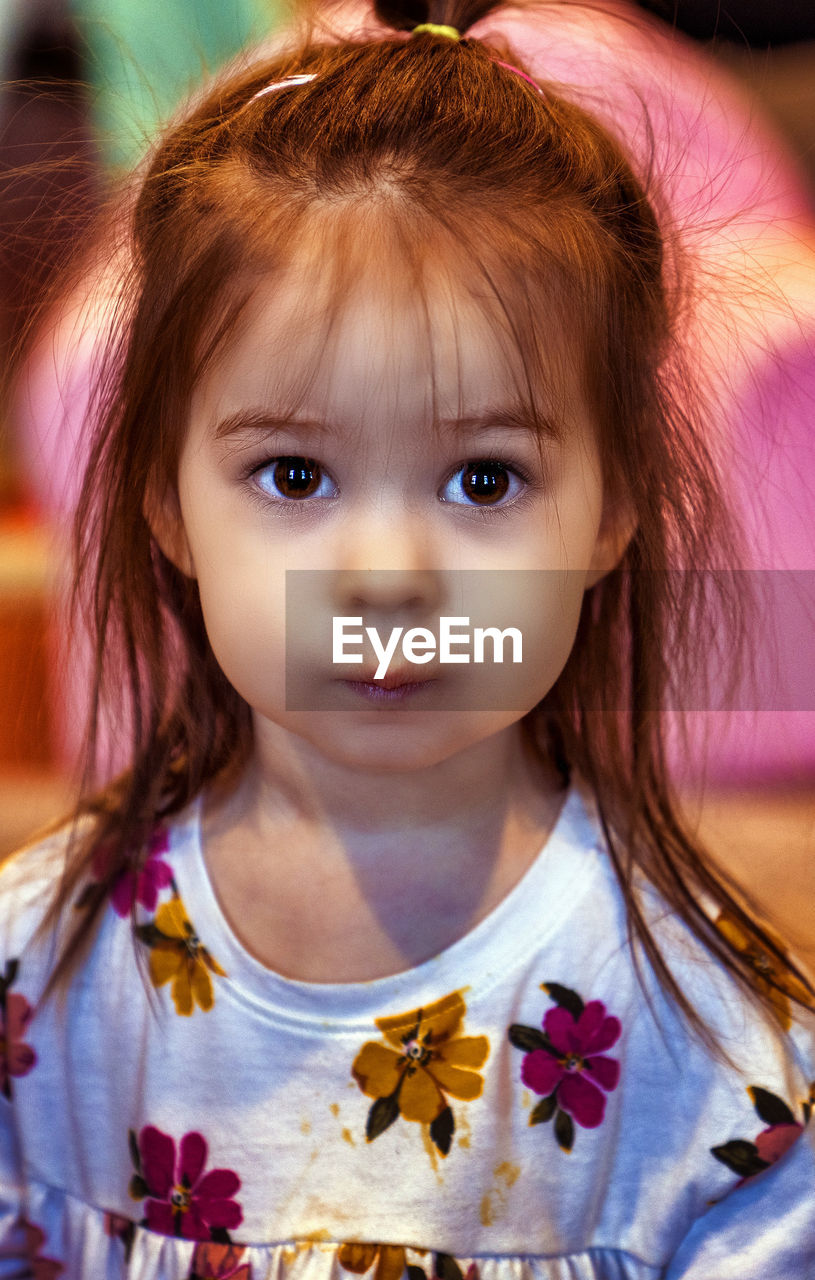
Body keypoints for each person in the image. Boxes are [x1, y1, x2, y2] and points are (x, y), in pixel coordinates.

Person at [1, 0, 813, 1275]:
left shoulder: (717, 1056)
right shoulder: (34, 988)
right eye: (293, 475)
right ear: (165, 502)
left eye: (482, 481)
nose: (384, 578)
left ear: (612, 510)